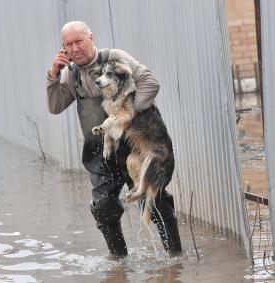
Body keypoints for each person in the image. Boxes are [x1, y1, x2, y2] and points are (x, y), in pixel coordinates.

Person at [46, 21, 182, 257]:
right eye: (68, 45)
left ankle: (176, 259)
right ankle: (119, 264)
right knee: (103, 209)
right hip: (101, 154)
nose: (74, 48)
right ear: (63, 49)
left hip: (136, 148)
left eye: (79, 41)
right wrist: (52, 75)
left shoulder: (115, 59)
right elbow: (55, 106)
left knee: (156, 203)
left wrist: (130, 113)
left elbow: (150, 83)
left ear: (91, 38)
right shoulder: (70, 74)